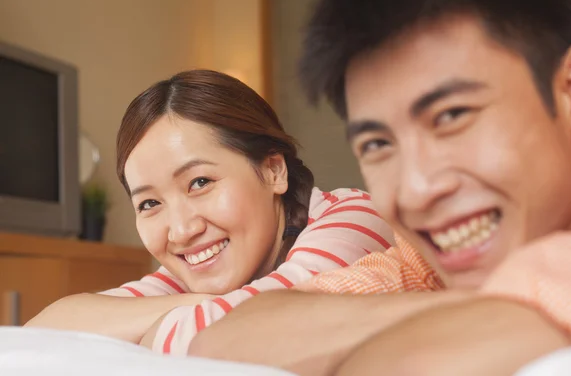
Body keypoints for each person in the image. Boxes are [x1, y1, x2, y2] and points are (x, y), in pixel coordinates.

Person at [185, 0, 571, 375]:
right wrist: (483, 308)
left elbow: (414, 365)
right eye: (377, 145)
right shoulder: (426, 258)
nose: (417, 191)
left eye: (452, 116)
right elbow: (223, 343)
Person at [25, 69, 395, 355]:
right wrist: (198, 306)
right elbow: (38, 335)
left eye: (200, 182)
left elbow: (265, 330)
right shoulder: (192, 273)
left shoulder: (357, 217)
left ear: (273, 170)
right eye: (150, 203)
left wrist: (149, 329)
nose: (182, 231)